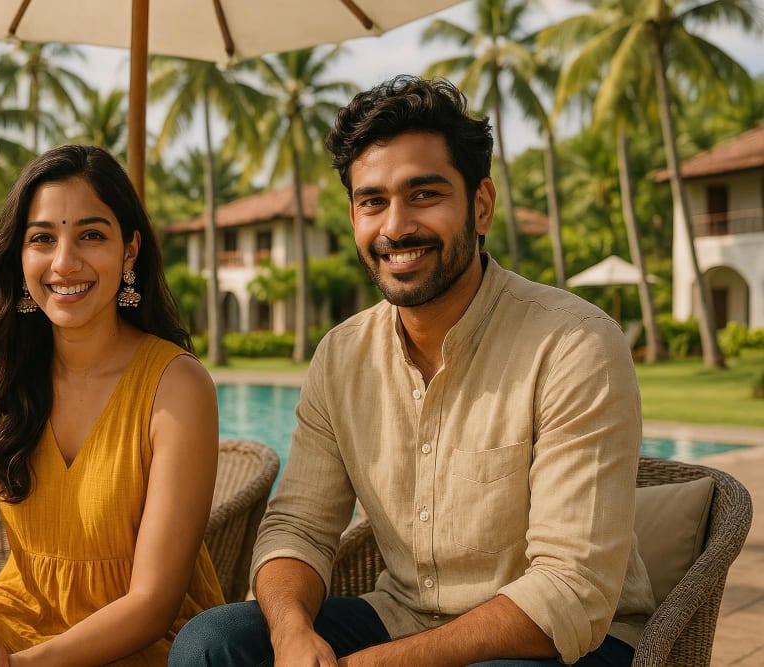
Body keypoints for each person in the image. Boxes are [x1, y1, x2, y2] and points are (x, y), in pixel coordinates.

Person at [169, 76, 656, 666]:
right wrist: (292, 632)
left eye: (424, 195)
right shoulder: (341, 356)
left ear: (480, 205)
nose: (395, 226)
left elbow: (570, 589)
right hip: (400, 616)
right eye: (372, 201)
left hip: (561, 643)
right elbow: (299, 524)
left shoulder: (573, 345)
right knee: (211, 643)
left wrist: (370, 664)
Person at [0, 144, 225, 667]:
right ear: (20, 255)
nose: (64, 262)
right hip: (22, 619)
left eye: (91, 235)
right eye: (42, 238)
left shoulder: (176, 387)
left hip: (141, 642)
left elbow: (152, 603)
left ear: (129, 251)